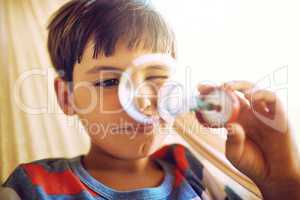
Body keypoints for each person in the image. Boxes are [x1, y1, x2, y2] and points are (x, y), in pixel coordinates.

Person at [2, 0, 300, 199]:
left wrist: (281, 179)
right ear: (66, 97)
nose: (142, 102)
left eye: (155, 77)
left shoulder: (191, 170)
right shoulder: (31, 185)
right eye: (109, 81)